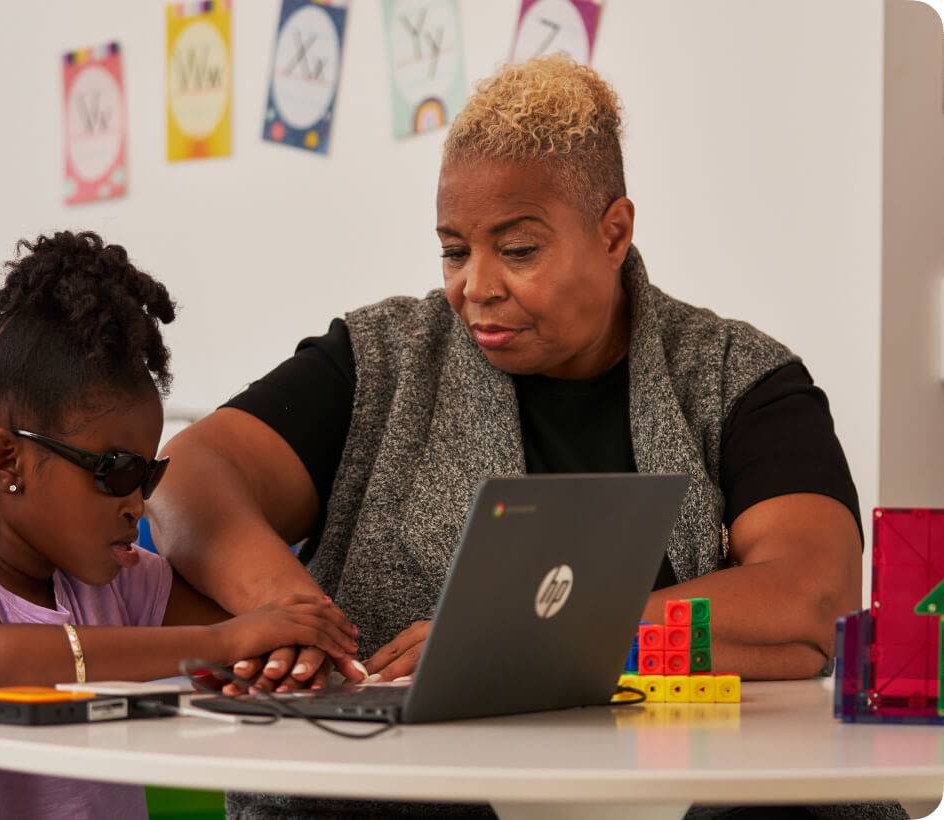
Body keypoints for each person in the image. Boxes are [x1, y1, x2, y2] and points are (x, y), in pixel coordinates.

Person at [147, 57, 896, 819]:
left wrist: (515, 648)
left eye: (518, 249)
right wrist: (292, 609)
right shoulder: (384, 360)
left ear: (614, 231)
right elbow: (186, 476)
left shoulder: (739, 376)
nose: (475, 285)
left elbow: (812, 599)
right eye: (453, 249)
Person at [0, 231, 358, 820]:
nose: (136, 504)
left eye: (147, 476)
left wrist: (289, 642)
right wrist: (220, 644)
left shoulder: (122, 585)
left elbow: (260, 639)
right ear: (8, 462)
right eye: (114, 472)